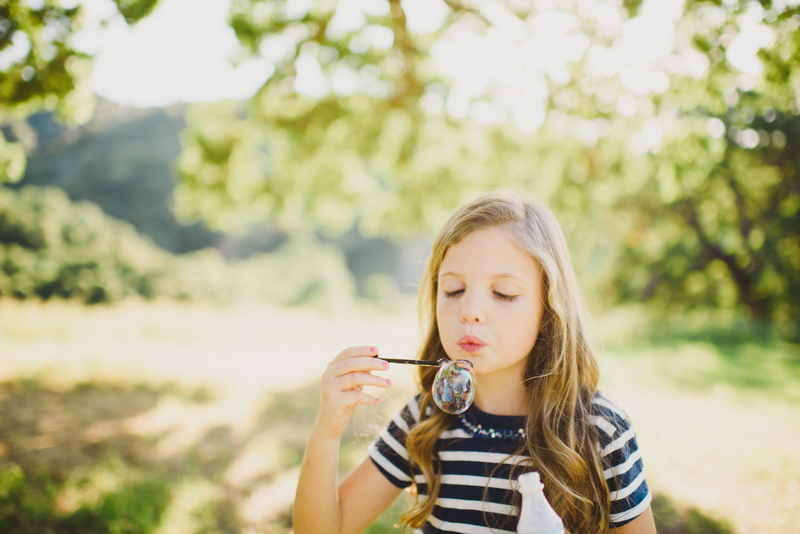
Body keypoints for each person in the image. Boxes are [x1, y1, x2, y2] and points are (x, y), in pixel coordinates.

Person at [294, 191, 657, 534]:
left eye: (503, 293)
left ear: (548, 309)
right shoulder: (423, 422)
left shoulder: (599, 431)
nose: (470, 312)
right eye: (453, 290)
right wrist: (327, 430)